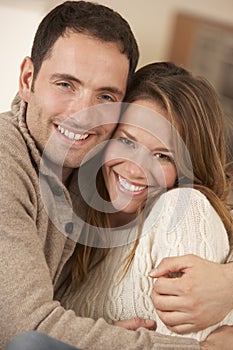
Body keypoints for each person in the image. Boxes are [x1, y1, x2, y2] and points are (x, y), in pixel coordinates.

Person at [0, 1, 204, 350]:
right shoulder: (7, 159)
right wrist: (201, 348)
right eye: (66, 84)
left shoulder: (96, 168)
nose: (84, 115)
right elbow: (27, 326)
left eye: (106, 96)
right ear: (27, 79)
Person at [60, 62, 233, 343]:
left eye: (162, 156)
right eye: (127, 142)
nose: (134, 168)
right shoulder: (76, 226)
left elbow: (197, 346)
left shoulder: (185, 210)